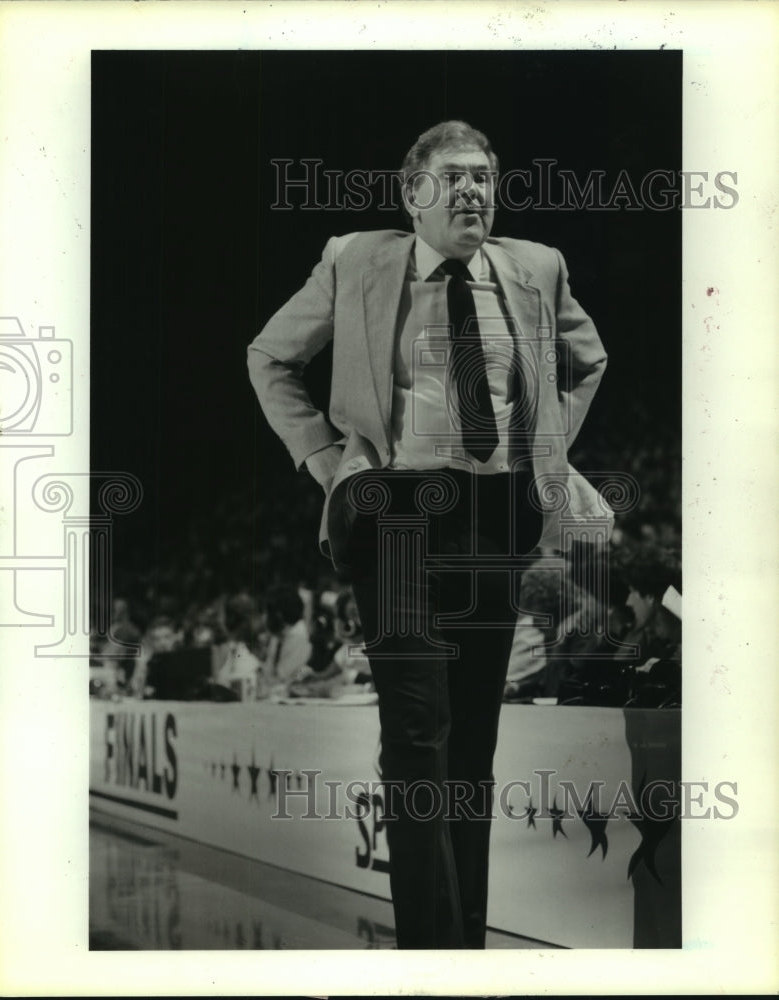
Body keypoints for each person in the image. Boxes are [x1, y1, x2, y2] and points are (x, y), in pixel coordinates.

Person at [248, 121, 607, 948]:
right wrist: (329, 463)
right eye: (453, 177)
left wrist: (547, 447)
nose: (473, 191)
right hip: (400, 515)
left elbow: (589, 363)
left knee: (473, 746)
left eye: (483, 176)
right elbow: (268, 358)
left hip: (499, 515)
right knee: (417, 741)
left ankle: (465, 948)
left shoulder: (536, 266)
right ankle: (427, 956)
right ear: (412, 194)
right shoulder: (355, 259)